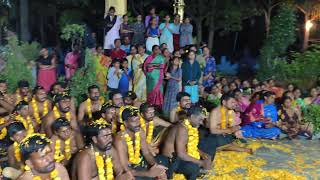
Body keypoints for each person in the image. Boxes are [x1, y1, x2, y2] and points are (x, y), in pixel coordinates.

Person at [114, 106, 167, 180]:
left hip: (139, 162)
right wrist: (148, 173)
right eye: (133, 121)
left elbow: (146, 153)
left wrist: (155, 166)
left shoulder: (140, 131)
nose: (138, 123)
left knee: (163, 162)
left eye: (138, 120)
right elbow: (125, 167)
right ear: (125, 123)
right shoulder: (120, 139)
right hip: (128, 170)